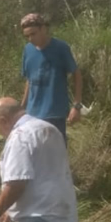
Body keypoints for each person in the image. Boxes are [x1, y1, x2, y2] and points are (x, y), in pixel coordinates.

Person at [19, 13, 84, 143]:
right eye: (27, 36)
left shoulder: (60, 48)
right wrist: (22, 107)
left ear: (43, 29)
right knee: (34, 151)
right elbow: (29, 80)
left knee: (56, 153)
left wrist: (76, 106)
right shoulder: (28, 50)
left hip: (54, 112)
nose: (30, 39)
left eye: (33, 34)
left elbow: (76, 75)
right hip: (32, 113)